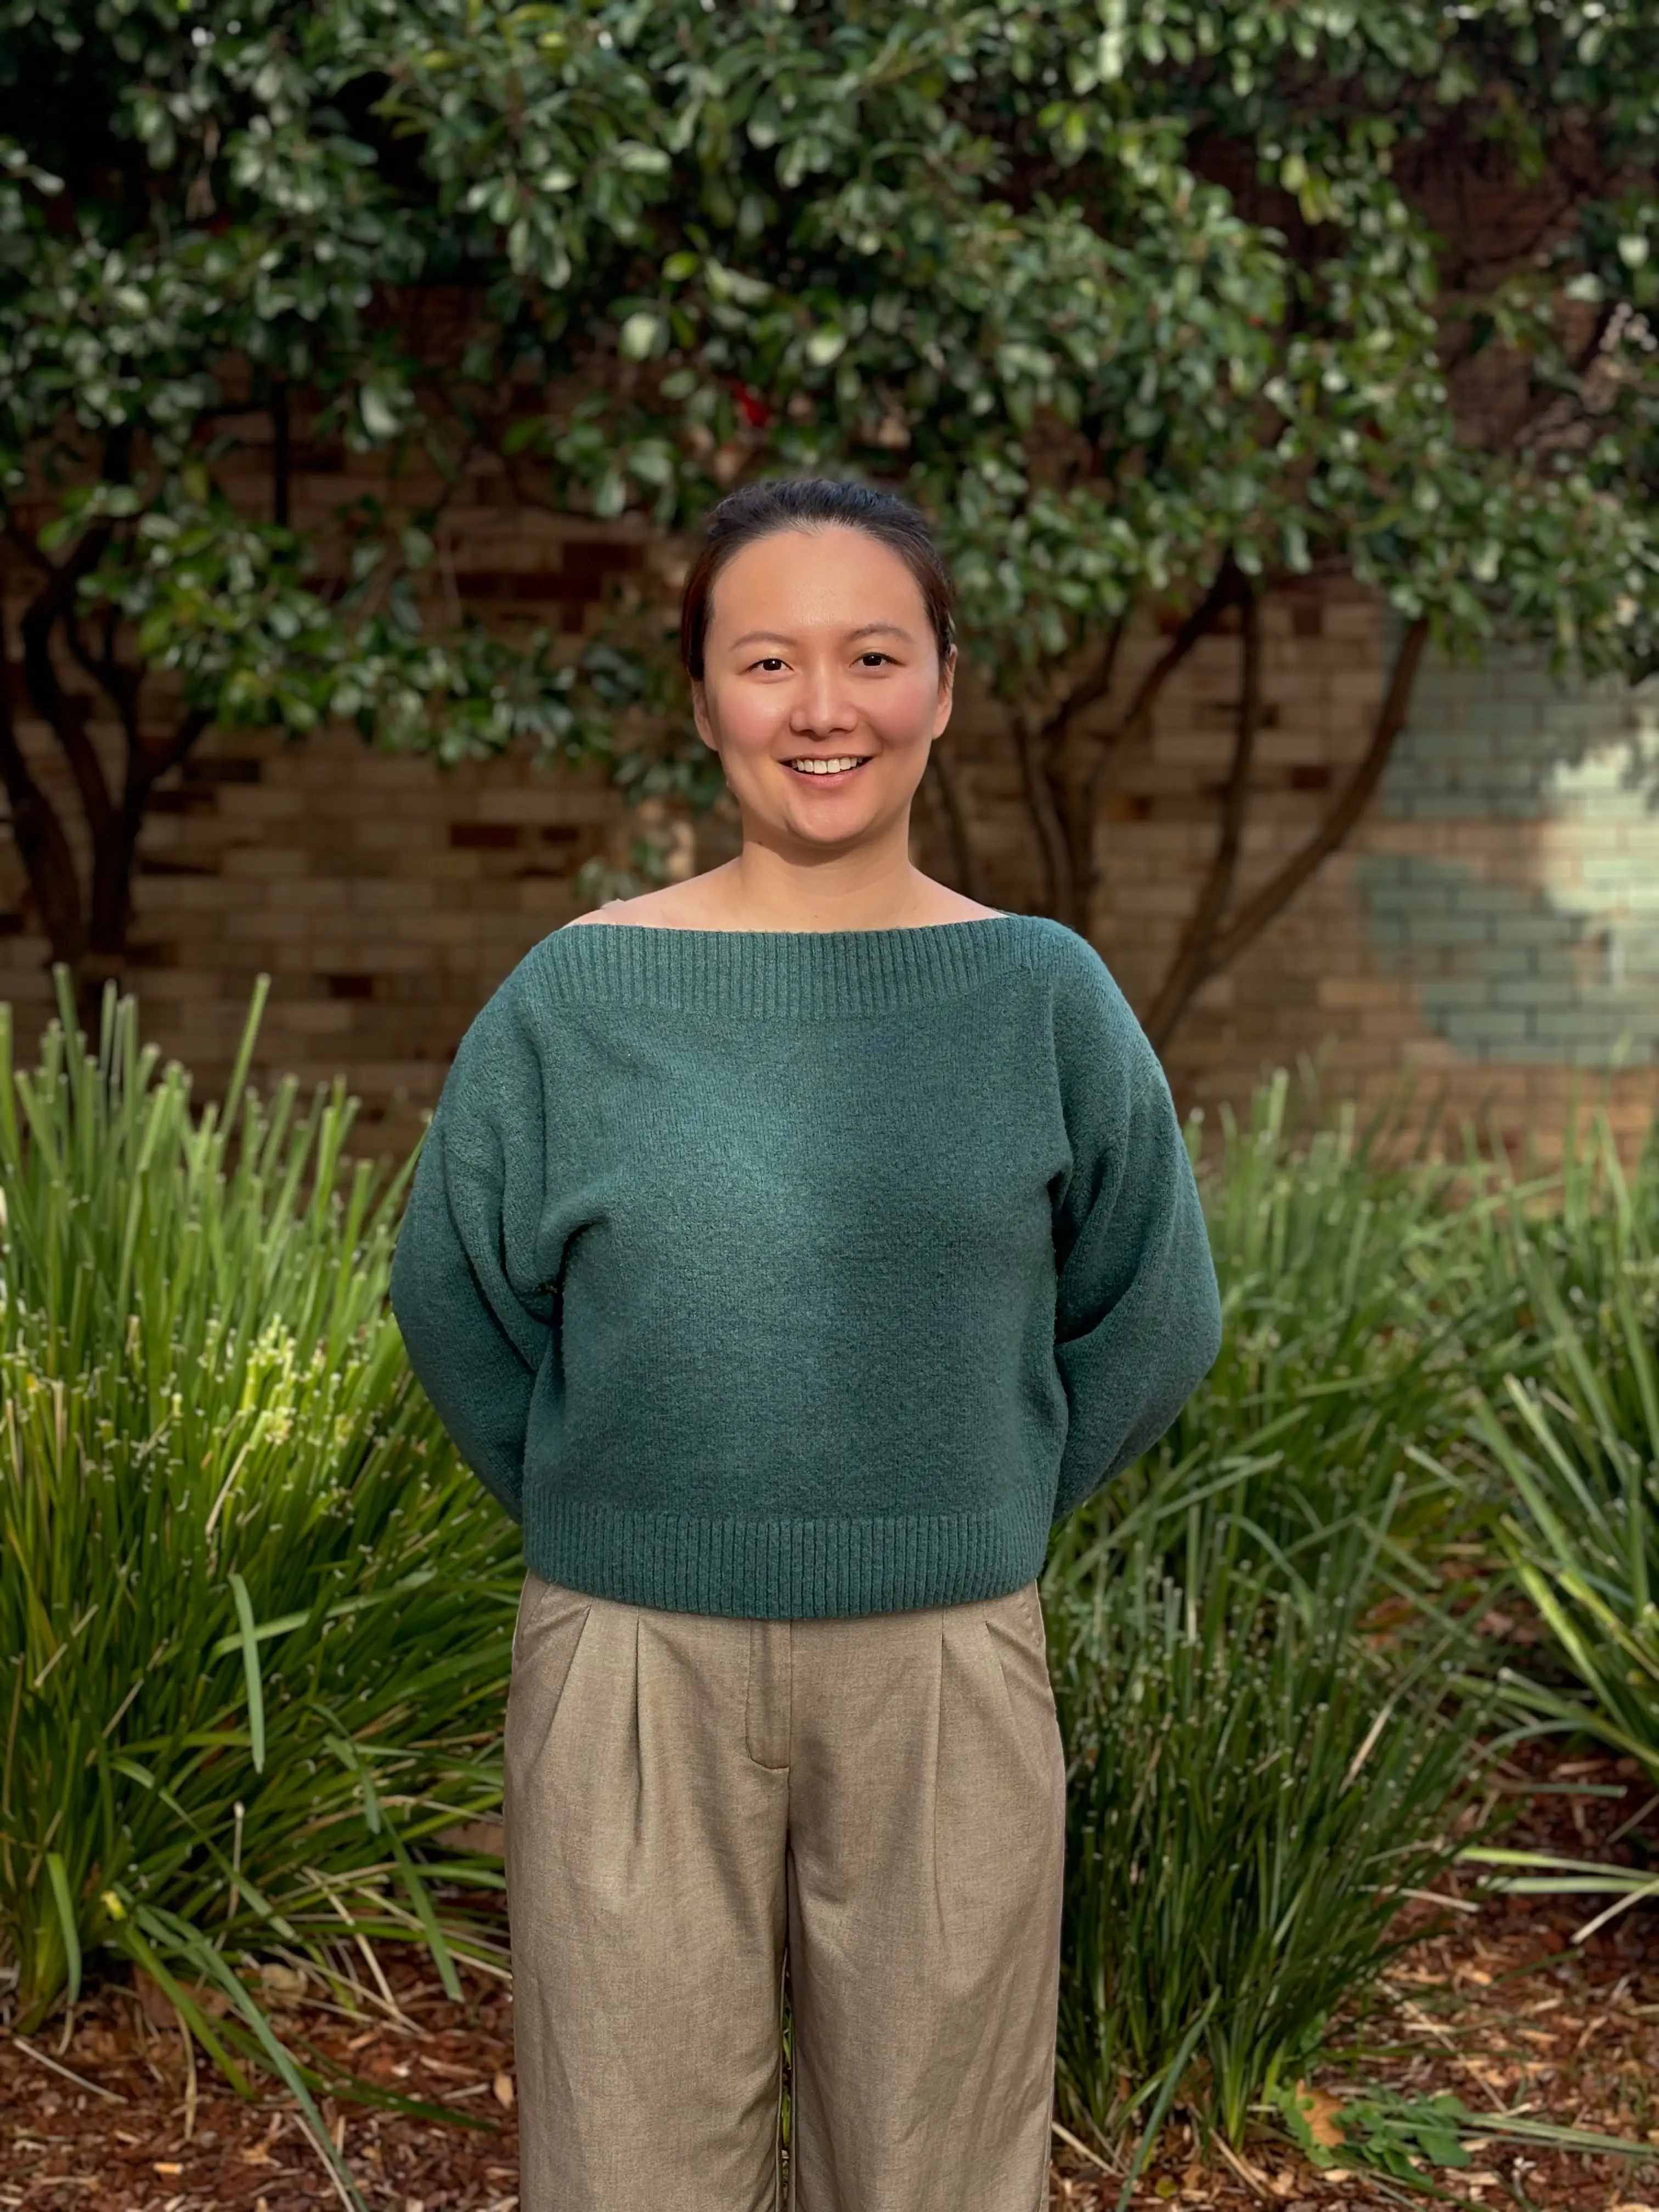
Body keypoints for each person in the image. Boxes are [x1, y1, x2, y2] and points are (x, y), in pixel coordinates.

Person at [387, 476, 1223, 2212]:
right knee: (625, 2170)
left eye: (873, 655)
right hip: (626, 1663)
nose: (822, 708)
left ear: (942, 684)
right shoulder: (575, 996)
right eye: (769, 660)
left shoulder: (1044, 995)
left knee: (939, 2176)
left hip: (944, 1667)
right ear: (702, 696)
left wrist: (972, 1504)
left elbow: (1153, 1306)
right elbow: (453, 1296)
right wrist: (600, 1500)